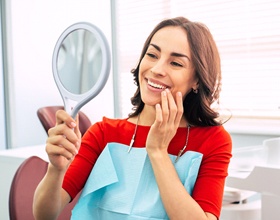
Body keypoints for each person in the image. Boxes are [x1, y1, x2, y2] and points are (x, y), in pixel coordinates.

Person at [33, 16, 232, 220]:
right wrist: (56, 170)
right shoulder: (104, 133)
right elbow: (44, 215)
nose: (156, 69)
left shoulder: (213, 141)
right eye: (152, 55)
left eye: (175, 63)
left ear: (197, 80)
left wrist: (157, 151)